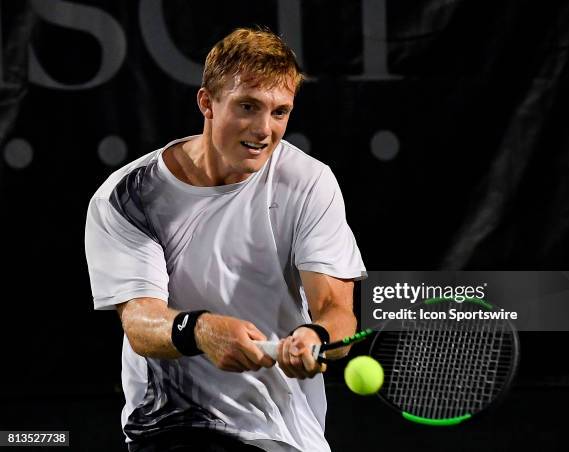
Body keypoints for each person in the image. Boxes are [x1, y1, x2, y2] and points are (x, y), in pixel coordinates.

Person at [85, 27, 366, 452]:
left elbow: (337, 311)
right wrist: (199, 330)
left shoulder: (309, 182)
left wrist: (316, 336)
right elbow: (141, 323)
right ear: (207, 103)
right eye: (247, 107)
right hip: (172, 422)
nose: (264, 129)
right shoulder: (130, 195)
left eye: (279, 112)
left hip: (283, 428)